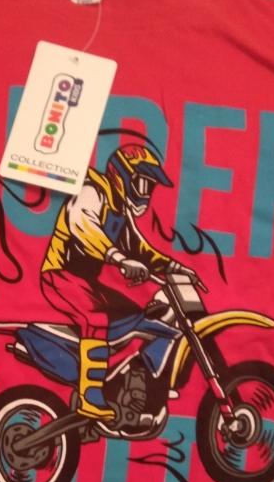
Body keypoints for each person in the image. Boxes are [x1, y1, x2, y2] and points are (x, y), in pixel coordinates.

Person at [40, 143, 198, 420]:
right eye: (143, 184)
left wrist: (174, 266)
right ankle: (90, 397)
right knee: (97, 319)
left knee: (140, 318)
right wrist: (119, 259)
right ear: (122, 176)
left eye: (150, 187)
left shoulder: (121, 212)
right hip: (60, 275)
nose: (146, 193)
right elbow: (83, 226)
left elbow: (140, 248)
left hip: (87, 283)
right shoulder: (92, 192)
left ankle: (132, 382)